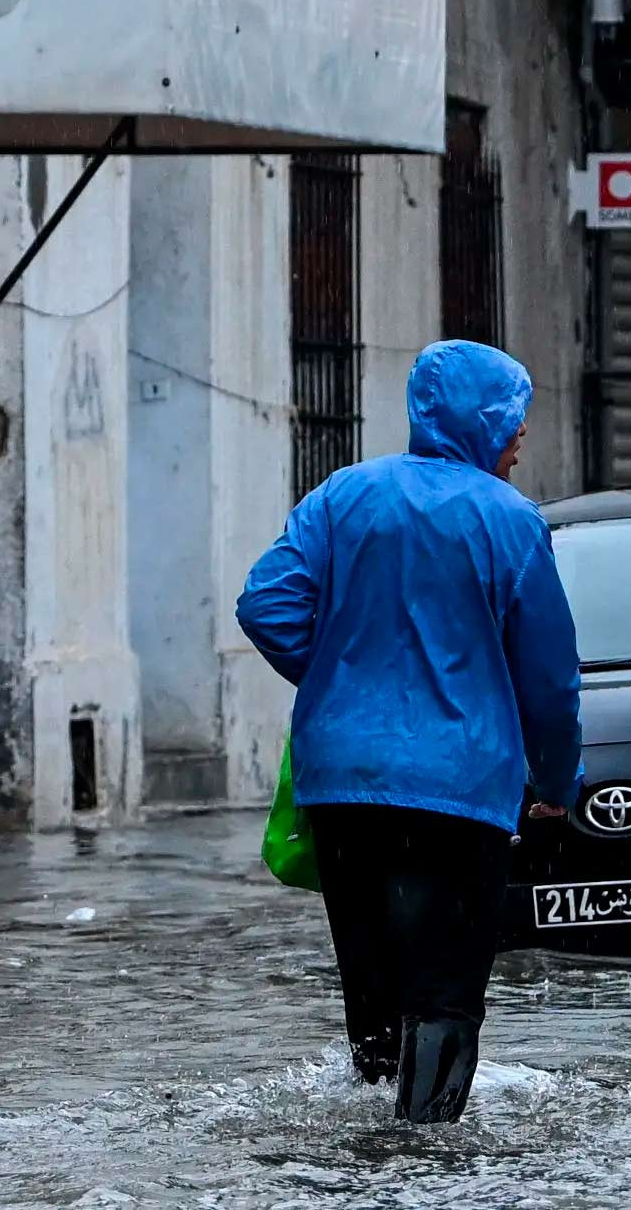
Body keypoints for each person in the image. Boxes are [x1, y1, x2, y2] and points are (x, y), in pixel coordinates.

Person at [235, 340, 579, 1125]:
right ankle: (422, 1159)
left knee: (374, 988)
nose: (521, 437)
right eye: (514, 420)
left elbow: (266, 604)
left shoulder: (343, 496)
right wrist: (557, 784)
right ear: (484, 421)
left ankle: (365, 1152)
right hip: (460, 792)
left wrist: (339, 683)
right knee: (445, 993)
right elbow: (551, 681)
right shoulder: (512, 522)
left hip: (345, 787)